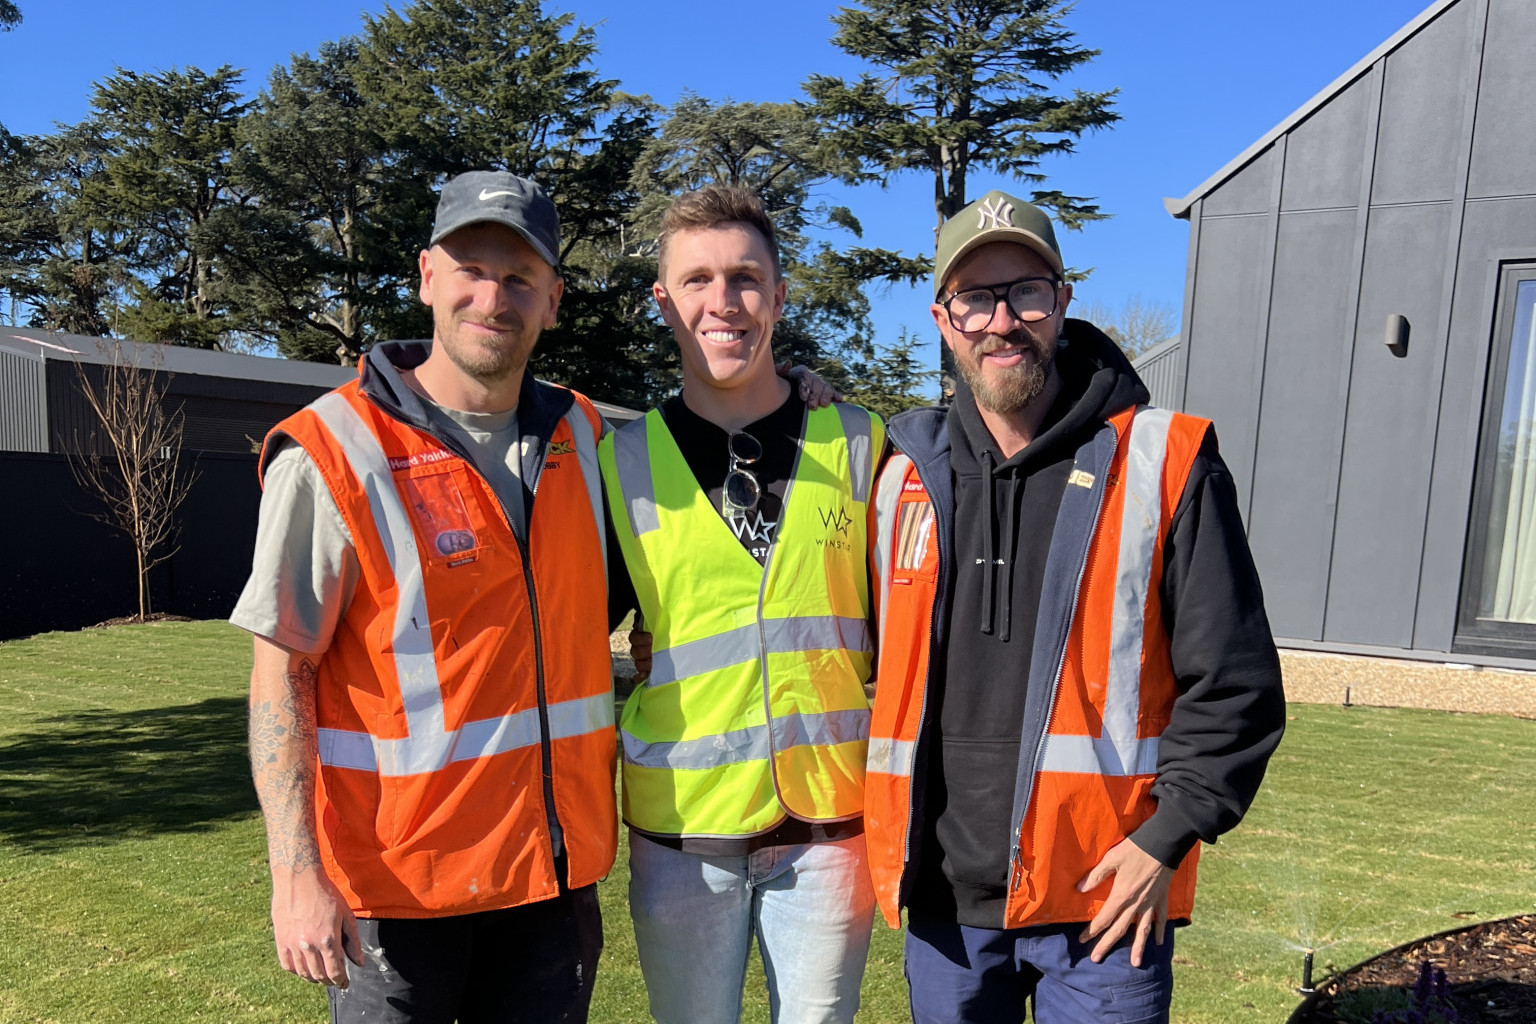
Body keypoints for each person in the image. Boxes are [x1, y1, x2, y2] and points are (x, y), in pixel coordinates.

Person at [863, 190, 1287, 1024]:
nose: (1002, 322)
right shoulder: (899, 474)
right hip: (946, 909)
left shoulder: (1166, 461)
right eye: (974, 299)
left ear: (1061, 301)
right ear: (943, 319)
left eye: (1025, 292)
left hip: (1106, 905)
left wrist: (1166, 839)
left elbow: (1236, 683)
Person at [233, 171, 622, 1024]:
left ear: (553, 300)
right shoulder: (333, 449)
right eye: (470, 270)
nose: (493, 297)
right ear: (426, 277)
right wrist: (294, 874)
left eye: (520, 278)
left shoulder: (584, 436)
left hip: (552, 885)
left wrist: (795, 388)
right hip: (397, 897)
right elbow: (280, 675)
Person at [597, 185, 882, 1024]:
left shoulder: (862, 442)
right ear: (663, 302)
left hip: (832, 826)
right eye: (697, 280)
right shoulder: (617, 463)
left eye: (746, 278)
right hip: (682, 832)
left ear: (780, 297)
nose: (723, 301)